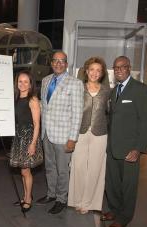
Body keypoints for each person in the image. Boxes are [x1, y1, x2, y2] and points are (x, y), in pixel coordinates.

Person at [101, 56, 147, 227]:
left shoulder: (140, 90)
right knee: (112, 182)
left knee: (128, 186)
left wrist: (138, 148)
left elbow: (145, 122)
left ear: (129, 68)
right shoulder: (114, 92)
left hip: (130, 149)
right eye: (116, 67)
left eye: (123, 67)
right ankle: (114, 210)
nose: (119, 70)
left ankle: (124, 218)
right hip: (113, 147)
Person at [36, 51, 84, 214]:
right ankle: (51, 194)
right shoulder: (45, 80)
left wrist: (73, 138)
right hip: (46, 134)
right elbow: (44, 105)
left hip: (64, 136)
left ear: (67, 63)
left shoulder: (75, 83)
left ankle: (61, 199)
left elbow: (78, 113)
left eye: (62, 61)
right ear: (51, 63)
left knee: (62, 169)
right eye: (55, 61)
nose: (58, 64)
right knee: (49, 167)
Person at [68, 57, 110, 214]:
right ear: (86, 71)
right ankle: (76, 200)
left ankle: (88, 203)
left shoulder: (107, 91)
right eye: (92, 69)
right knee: (78, 167)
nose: (95, 73)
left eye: (98, 70)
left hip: (100, 133)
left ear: (102, 73)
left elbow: (110, 113)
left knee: (95, 168)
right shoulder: (78, 88)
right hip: (80, 132)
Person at [10, 70, 43, 212]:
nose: (22, 84)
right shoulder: (15, 98)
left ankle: (28, 199)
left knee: (25, 171)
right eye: (20, 81)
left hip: (29, 137)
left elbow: (37, 124)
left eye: (26, 81)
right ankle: (25, 196)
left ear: (30, 85)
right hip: (18, 137)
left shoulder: (33, 99)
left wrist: (33, 143)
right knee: (23, 171)